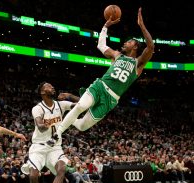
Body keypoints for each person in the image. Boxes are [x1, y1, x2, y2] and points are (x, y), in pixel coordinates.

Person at [47, 8, 154, 146]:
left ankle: (68, 107)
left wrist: (141, 25)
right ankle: (57, 134)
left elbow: (150, 46)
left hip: (111, 100)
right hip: (100, 87)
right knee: (81, 106)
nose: (124, 43)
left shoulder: (138, 63)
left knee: (82, 126)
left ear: (135, 47)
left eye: (129, 42)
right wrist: (105, 26)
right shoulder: (117, 55)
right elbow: (101, 45)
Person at [26, 82, 78, 183]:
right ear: (42, 92)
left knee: (62, 169)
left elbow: (82, 104)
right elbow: (40, 127)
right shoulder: (37, 108)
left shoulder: (61, 105)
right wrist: (49, 124)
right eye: (48, 86)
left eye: (52, 86)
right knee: (33, 176)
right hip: (39, 147)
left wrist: (69, 95)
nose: (52, 87)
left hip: (55, 147)